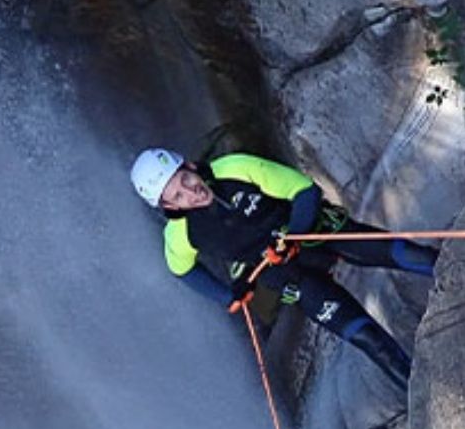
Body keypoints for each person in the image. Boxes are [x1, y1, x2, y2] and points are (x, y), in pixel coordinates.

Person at [130, 147, 438, 388]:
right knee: (368, 341)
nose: (190, 193)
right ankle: (426, 400)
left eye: (185, 180)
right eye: (178, 196)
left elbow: (304, 191)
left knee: (413, 256)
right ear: (170, 207)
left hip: (316, 233)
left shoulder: (234, 168)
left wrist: (292, 236)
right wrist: (228, 296)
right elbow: (182, 271)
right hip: (290, 278)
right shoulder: (180, 235)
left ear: (190, 167)